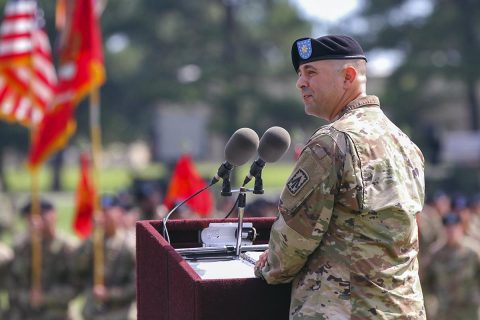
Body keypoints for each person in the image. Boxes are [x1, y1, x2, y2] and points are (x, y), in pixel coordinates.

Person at [254, 35, 426, 319]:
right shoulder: (406, 145)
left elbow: (293, 243)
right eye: (299, 74)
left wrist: (265, 266)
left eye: (311, 72)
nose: (300, 83)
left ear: (348, 76)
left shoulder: (331, 143)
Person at [7, 199, 76, 320]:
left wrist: (45, 297)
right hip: (24, 313)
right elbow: (14, 281)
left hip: (56, 313)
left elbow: (76, 286)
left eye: (41, 216)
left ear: (53, 216)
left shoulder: (66, 246)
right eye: (29, 218)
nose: (34, 222)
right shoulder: (22, 246)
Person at [71, 194, 136, 320]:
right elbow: (76, 269)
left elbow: (136, 286)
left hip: (122, 313)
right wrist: (91, 240)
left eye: (108, 212)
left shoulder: (130, 244)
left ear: (119, 213)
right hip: (93, 313)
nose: (103, 217)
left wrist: (109, 294)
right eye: (101, 213)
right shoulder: (93, 243)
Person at [423, 212, 480, 319]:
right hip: (445, 310)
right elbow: (426, 282)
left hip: (469, 309)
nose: (451, 232)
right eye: (448, 229)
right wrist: (430, 303)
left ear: (461, 228)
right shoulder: (435, 254)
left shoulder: (473, 251)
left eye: (454, 228)